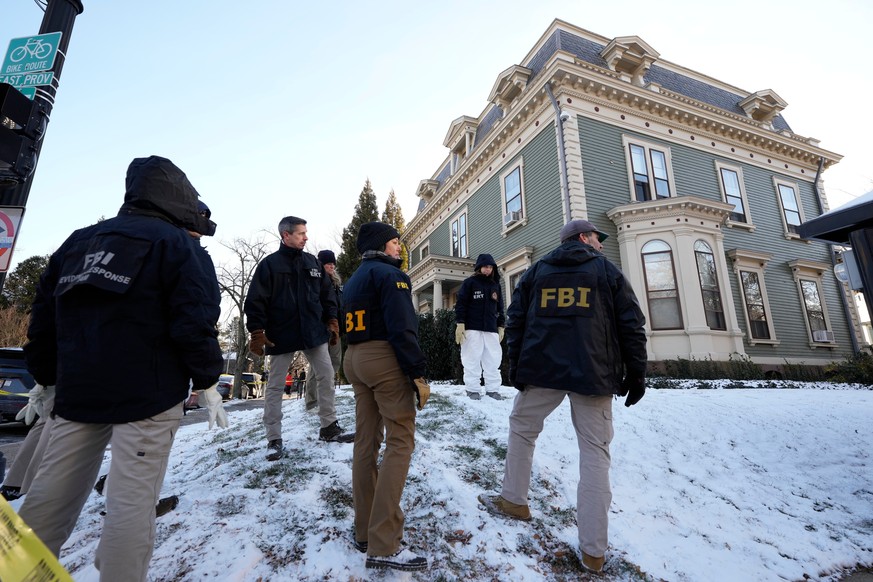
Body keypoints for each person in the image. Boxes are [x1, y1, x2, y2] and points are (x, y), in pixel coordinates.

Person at [17, 155, 223, 582]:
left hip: (78, 393)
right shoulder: (179, 246)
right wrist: (207, 379)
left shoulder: (78, 242)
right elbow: (193, 321)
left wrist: (46, 377)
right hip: (148, 395)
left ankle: (18, 574)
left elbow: (43, 319)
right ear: (177, 195)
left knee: (47, 498)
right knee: (130, 505)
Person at [477, 219, 647, 575]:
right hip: (593, 374)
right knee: (595, 454)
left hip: (542, 369)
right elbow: (630, 322)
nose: (600, 244)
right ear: (582, 238)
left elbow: (517, 317)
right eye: (596, 238)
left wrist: (516, 363)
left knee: (522, 429)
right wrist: (636, 371)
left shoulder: (537, 270)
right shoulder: (606, 270)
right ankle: (593, 553)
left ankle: (513, 500)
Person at [343, 221, 431, 572]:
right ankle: (383, 542)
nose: (400, 248)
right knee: (400, 441)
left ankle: (364, 530)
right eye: (396, 242)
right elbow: (402, 326)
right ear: (382, 246)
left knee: (366, 442)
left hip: (355, 359)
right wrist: (417, 371)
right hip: (383, 359)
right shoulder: (390, 276)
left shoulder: (352, 280)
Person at [244, 216, 350, 460]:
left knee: (327, 375)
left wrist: (332, 321)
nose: (306, 237)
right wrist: (257, 331)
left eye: (306, 232)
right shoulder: (269, 265)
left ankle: (329, 427)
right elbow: (256, 300)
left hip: (314, 332)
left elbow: (327, 296)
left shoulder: (312, 263)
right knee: (275, 386)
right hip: (281, 335)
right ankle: (274, 438)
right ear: (286, 235)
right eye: (301, 233)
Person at [454, 253, 505, 400]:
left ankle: (493, 390)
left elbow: (500, 307)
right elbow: (461, 304)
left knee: (493, 360)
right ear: (479, 267)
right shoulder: (470, 283)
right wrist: (460, 323)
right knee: (472, 359)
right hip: (472, 328)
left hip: (491, 328)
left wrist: (501, 325)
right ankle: (472, 389)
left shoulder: (496, 286)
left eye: (490, 267)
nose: (487, 269)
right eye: (485, 266)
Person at [317, 249, 344, 381]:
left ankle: (327, 390)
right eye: (328, 263)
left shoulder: (337, 285)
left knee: (335, 361)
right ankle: (312, 400)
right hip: (320, 328)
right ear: (321, 265)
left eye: (333, 263)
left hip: (336, 329)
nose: (332, 266)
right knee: (318, 365)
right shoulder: (315, 282)